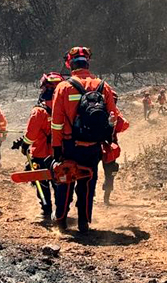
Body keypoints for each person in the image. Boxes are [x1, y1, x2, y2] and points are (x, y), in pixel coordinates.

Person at [51, 46, 118, 234]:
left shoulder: (63, 87)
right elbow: (114, 117)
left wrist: (56, 148)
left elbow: (56, 123)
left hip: (69, 146)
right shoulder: (103, 86)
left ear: (70, 64)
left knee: (65, 181)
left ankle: (61, 221)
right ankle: (84, 222)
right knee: (88, 182)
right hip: (93, 147)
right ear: (88, 62)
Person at [19, 72, 64, 220]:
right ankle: (61, 212)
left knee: (41, 183)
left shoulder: (39, 111)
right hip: (61, 154)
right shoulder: (66, 110)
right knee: (60, 183)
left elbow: (31, 134)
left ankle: (46, 210)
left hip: (40, 154)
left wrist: (24, 145)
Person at [101, 91, 129, 206]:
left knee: (89, 172)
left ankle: (88, 197)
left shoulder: (90, 110)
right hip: (109, 145)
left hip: (91, 145)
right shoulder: (115, 113)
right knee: (111, 171)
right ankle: (106, 199)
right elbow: (124, 125)